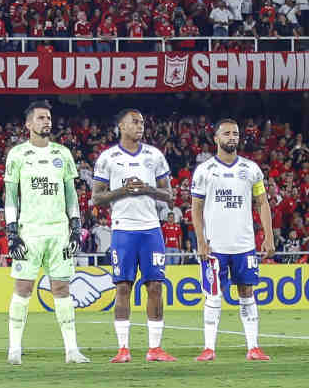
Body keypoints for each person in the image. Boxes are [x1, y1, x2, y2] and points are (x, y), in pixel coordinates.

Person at [4, 101, 89, 365]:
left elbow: (70, 194)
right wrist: (12, 231)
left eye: (48, 118)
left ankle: (72, 350)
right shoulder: (17, 155)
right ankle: (14, 349)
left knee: (62, 288)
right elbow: (10, 196)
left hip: (58, 231)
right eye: (41, 118)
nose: (46, 122)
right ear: (29, 124)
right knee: (23, 287)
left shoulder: (62, 154)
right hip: (29, 230)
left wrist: (75, 227)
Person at [91, 109, 176, 362]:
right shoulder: (108, 158)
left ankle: (155, 349)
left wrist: (147, 188)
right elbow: (97, 197)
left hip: (151, 229)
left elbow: (169, 196)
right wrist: (123, 190)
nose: (140, 126)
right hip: (123, 230)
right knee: (123, 287)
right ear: (121, 126)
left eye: (142, 122)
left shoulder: (155, 156)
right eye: (134, 122)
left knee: (156, 287)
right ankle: (123, 349)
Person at [191, 119, 274, 362]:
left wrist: (268, 236)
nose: (232, 137)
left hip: (244, 245)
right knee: (213, 295)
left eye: (235, 133)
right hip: (214, 245)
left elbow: (262, 203)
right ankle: (209, 348)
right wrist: (200, 241)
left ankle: (253, 347)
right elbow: (195, 208)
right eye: (226, 133)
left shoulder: (251, 169)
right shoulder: (205, 170)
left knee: (247, 293)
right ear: (216, 138)